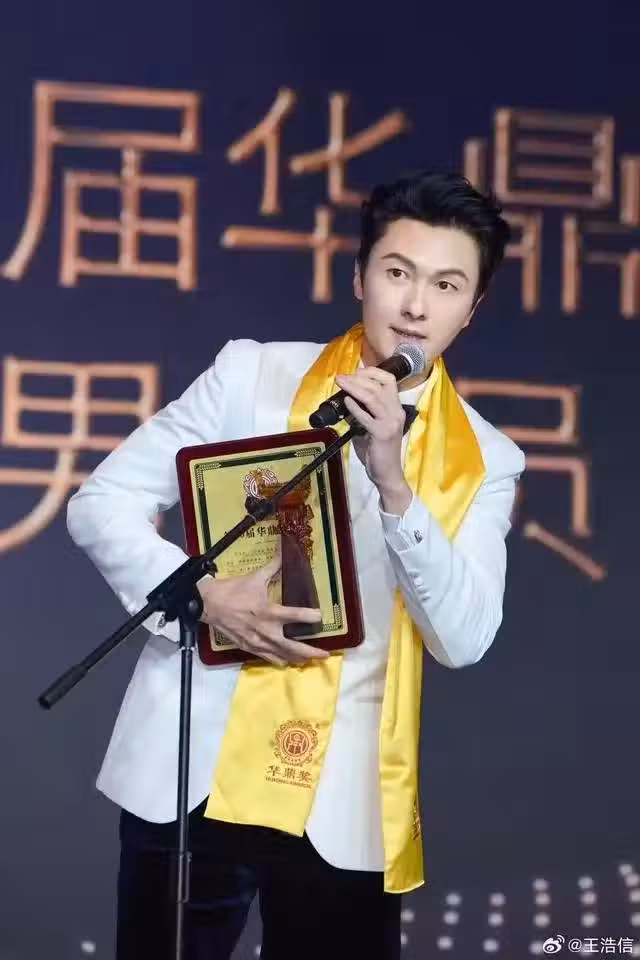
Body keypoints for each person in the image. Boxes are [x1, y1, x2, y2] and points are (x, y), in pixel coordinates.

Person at [66, 169, 525, 960]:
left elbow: (464, 639)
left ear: (472, 307)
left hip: (344, 808)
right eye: (398, 272)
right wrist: (204, 596)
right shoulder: (253, 375)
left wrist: (395, 484)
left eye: (446, 285)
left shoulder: (485, 460)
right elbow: (101, 501)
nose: (416, 305)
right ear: (359, 277)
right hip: (192, 776)